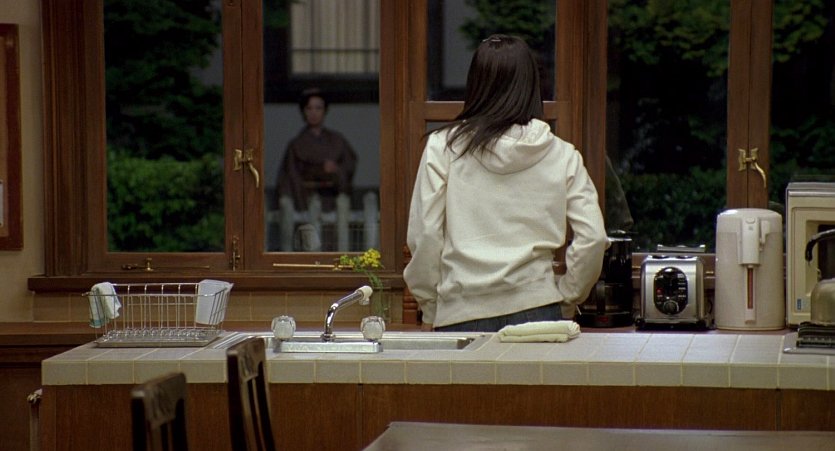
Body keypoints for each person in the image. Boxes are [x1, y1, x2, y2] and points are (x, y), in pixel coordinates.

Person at [403, 35, 608, 332]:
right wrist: (566, 298)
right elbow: (593, 238)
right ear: (531, 85)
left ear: (476, 85)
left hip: (460, 314)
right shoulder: (562, 154)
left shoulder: (444, 147)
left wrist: (431, 307)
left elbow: (425, 235)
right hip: (538, 310)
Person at [275, 88, 358, 251]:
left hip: (332, 201)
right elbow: (289, 175)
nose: (314, 113)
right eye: (309, 108)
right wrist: (317, 170)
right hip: (304, 200)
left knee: (334, 245)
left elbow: (349, 164)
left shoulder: (337, 140)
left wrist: (336, 169)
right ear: (303, 111)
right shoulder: (296, 144)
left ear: (325, 111)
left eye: (318, 108)